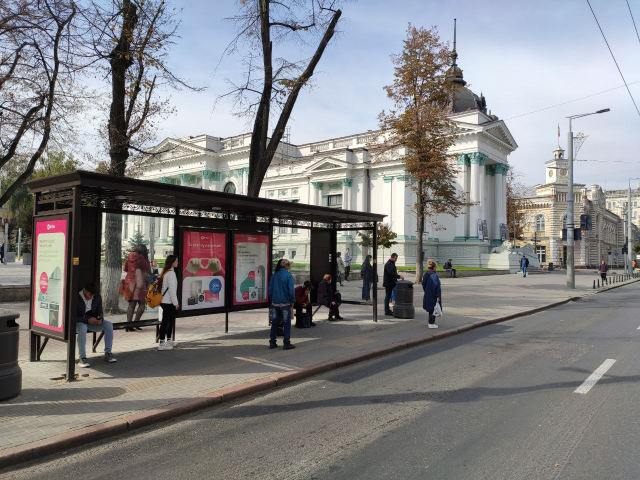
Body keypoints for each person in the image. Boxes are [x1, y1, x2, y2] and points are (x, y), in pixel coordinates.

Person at [76, 282, 117, 367]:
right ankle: (82, 358)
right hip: (79, 323)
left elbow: (100, 311)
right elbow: (72, 317)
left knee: (108, 325)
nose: (91, 297)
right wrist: (87, 320)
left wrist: (100, 318)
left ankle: (108, 353)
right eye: (89, 294)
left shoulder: (97, 297)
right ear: (85, 291)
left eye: (93, 295)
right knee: (83, 327)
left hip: (92, 322)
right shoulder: (76, 297)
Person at [268, 259, 296, 349]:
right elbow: (291, 291)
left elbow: (270, 290)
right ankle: (286, 343)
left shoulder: (274, 276)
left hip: (275, 303)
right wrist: (292, 301)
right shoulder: (288, 276)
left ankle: (272, 343)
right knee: (286, 324)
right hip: (285, 304)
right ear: (286, 266)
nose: (290, 267)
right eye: (289, 265)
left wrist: (273, 299)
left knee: (275, 323)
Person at [123, 245, 151, 331]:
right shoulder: (141, 257)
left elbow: (125, 268)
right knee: (142, 303)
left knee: (131, 304)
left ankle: (128, 325)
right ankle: (136, 323)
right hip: (139, 282)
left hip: (129, 282)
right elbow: (148, 268)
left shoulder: (129, 257)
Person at [158, 255, 179, 351]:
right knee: (166, 322)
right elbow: (172, 290)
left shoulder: (166, 272)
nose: (177, 262)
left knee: (170, 320)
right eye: (176, 261)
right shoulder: (171, 274)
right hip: (168, 302)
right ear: (172, 262)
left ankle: (169, 340)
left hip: (165, 301)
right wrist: (176, 303)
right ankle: (162, 343)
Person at [422, 260, 442, 329]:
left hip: (428, 293)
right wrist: (437, 296)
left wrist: (426, 290)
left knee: (431, 308)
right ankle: (431, 323)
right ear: (434, 267)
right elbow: (436, 286)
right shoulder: (434, 275)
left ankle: (430, 322)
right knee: (434, 308)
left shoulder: (426, 274)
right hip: (433, 294)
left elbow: (423, 283)